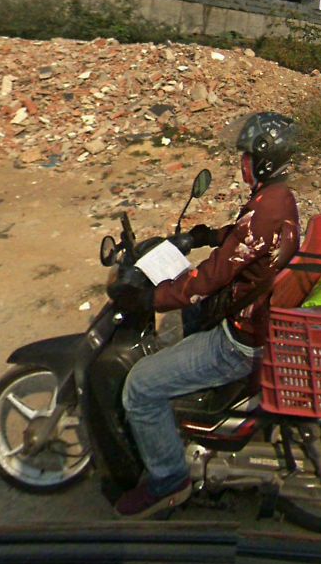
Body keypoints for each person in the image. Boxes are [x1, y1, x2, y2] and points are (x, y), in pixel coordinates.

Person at [108, 111, 301, 519]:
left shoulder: (266, 208)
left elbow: (207, 280)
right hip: (251, 317)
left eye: (246, 156)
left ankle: (168, 480)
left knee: (140, 386)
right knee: (186, 324)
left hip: (238, 342)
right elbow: (245, 241)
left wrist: (150, 300)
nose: (242, 163)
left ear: (263, 160)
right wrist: (207, 236)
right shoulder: (278, 197)